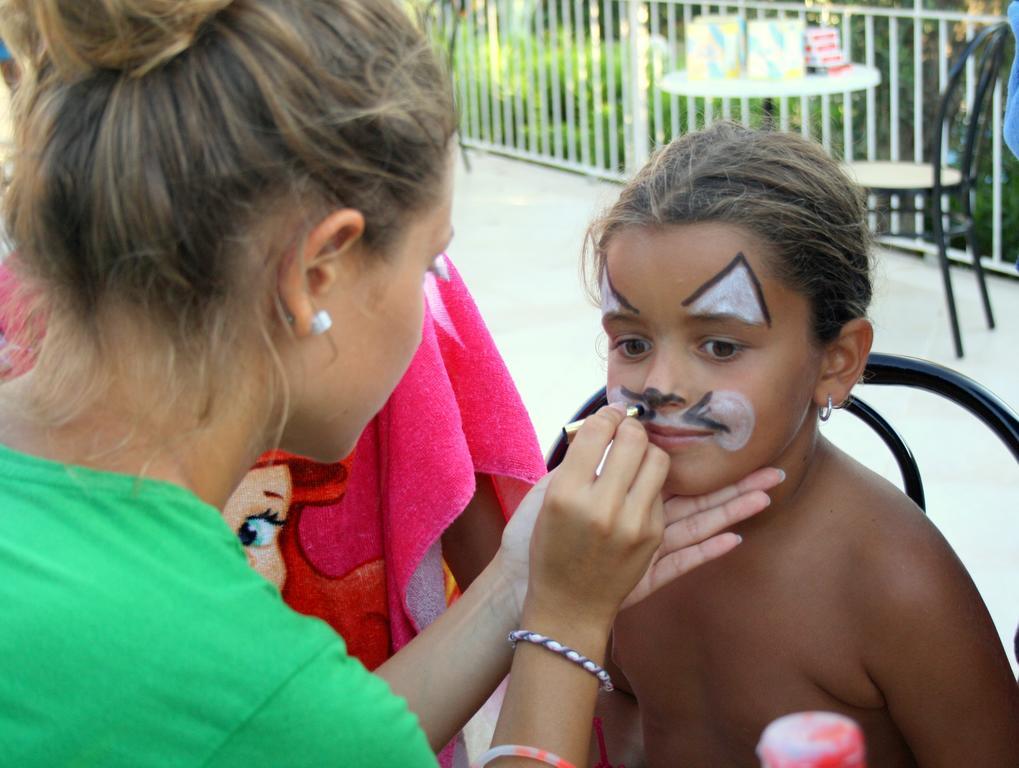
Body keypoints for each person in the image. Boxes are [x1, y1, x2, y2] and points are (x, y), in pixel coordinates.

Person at [0, 2, 781, 766]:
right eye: (427, 262)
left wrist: (519, 580)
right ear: (316, 274)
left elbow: (308, 738)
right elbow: (291, 724)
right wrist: (567, 618)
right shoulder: (240, 673)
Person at [585, 122, 1019, 767]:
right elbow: (616, 700)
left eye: (721, 345)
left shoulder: (898, 584)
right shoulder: (610, 532)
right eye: (633, 343)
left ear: (836, 363)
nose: (659, 386)